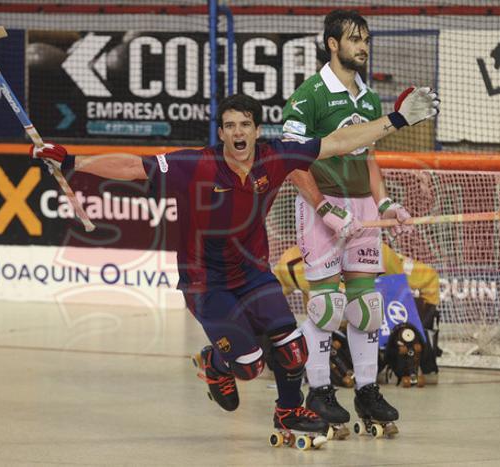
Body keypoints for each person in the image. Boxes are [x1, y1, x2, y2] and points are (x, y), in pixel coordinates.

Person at [32, 91, 439, 442]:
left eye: (246, 124)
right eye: (230, 126)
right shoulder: (196, 165)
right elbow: (133, 167)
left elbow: (338, 141)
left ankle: (287, 410)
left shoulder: (275, 157)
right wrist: (71, 160)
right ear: (221, 133)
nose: (239, 132)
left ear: (257, 130)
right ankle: (216, 362)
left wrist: (397, 119)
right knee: (249, 367)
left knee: (291, 347)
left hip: (252, 273)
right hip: (204, 280)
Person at [281, 9, 435, 438]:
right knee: (326, 306)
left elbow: (368, 155)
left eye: (366, 38)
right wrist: (324, 209)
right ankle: (319, 392)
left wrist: (384, 203)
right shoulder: (308, 95)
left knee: (367, 307)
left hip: (362, 208)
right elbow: (291, 162)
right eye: (354, 38)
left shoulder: (367, 98)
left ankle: (366, 391)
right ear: (333, 43)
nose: (363, 45)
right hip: (320, 206)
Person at [273, 243, 442, 387]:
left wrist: (419, 331)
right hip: (333, 338)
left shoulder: (378, 252)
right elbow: (272, 295)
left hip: (373, 338)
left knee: (406, 337)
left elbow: (429, 278)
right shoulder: (292, 261)